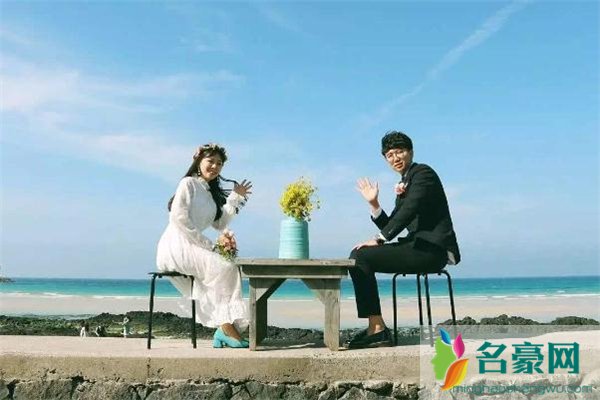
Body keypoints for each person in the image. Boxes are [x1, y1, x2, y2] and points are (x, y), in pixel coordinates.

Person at [347, 131, 460, 349]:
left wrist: (379, 239)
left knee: (361, 256)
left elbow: (409, 210)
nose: (395, 158)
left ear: (411, 152)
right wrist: (374, 204)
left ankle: (377, 330)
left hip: (431, 250)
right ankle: (376, 326)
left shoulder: (423, 173)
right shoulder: (405, 182)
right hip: (415, 246)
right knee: (359, 255)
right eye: (389, 155)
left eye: (399, 152)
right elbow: (393, 223)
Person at [156, 143, 252, 348]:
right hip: (175, 245)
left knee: (228, 267)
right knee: (225, 267)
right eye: (211, 161)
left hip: (193, 245)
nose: (215, 166)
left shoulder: (210, 194)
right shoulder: (188, 183)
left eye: (219, 163)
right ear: (199, 161)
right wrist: (207, 245)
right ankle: (226, 329)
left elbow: (220, 223)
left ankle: (225, 328)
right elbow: (179, 218)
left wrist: (236, 197)